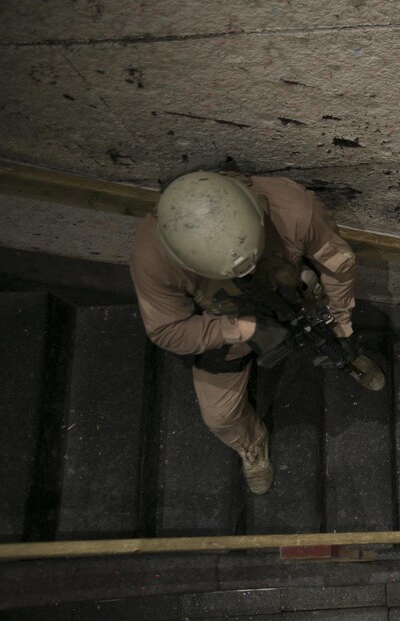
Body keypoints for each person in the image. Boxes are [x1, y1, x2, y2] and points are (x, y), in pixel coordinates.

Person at [130, 170, 383, 494]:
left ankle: (348, 358)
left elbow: (339, 265)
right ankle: (251, 443)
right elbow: (167, 331)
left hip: (292, 295)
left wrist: (342, 325)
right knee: (219, 417)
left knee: (327, 319)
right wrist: (240, 330)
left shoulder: (294, 210)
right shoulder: (152, 257)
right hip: (229, 321)